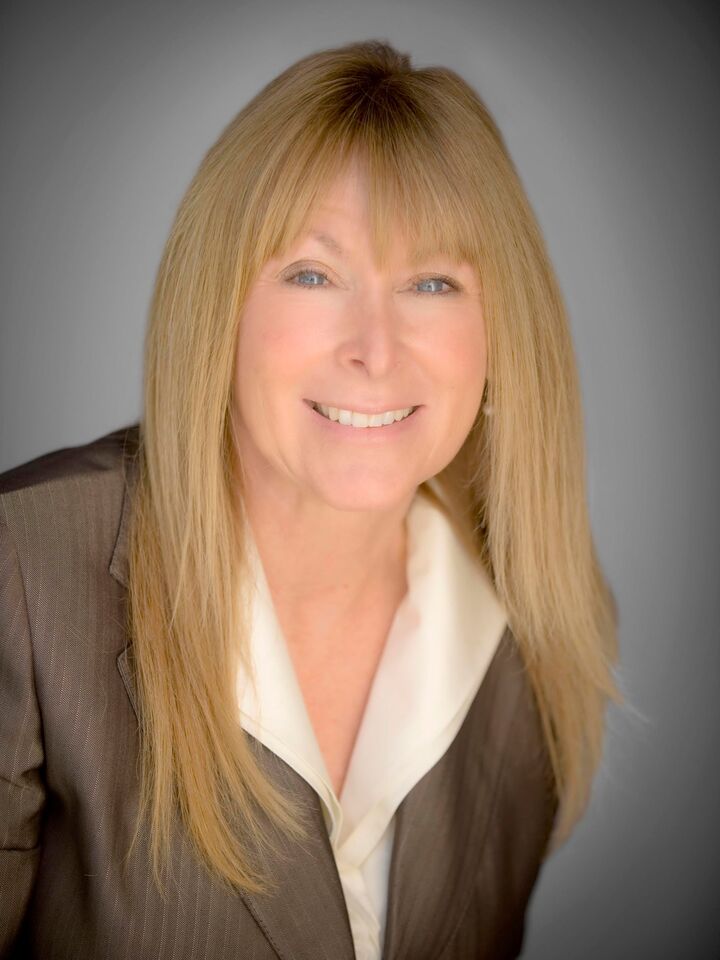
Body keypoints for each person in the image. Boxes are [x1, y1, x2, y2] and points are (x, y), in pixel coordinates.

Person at [0, 38, 621, 960]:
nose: (376, 347)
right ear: (218, 307)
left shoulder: (530, 637)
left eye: (433, 283)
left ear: (501, 335)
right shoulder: (23, 566)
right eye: (313, 274)